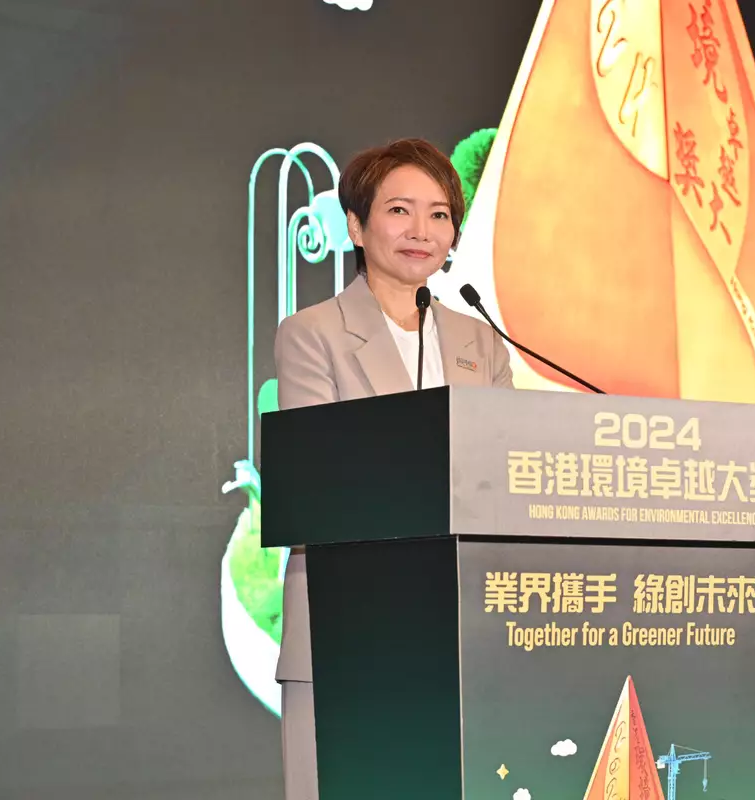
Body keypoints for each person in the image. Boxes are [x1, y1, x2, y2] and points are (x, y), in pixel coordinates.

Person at [272, 137, 515, 799]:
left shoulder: (482, 340)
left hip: (460, 633)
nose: (421, 231)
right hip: (350, 625)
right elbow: (319, 478)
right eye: (400, 210)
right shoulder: (313, 334)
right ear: (356, 226)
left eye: (439, 215)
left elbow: (505, 474)